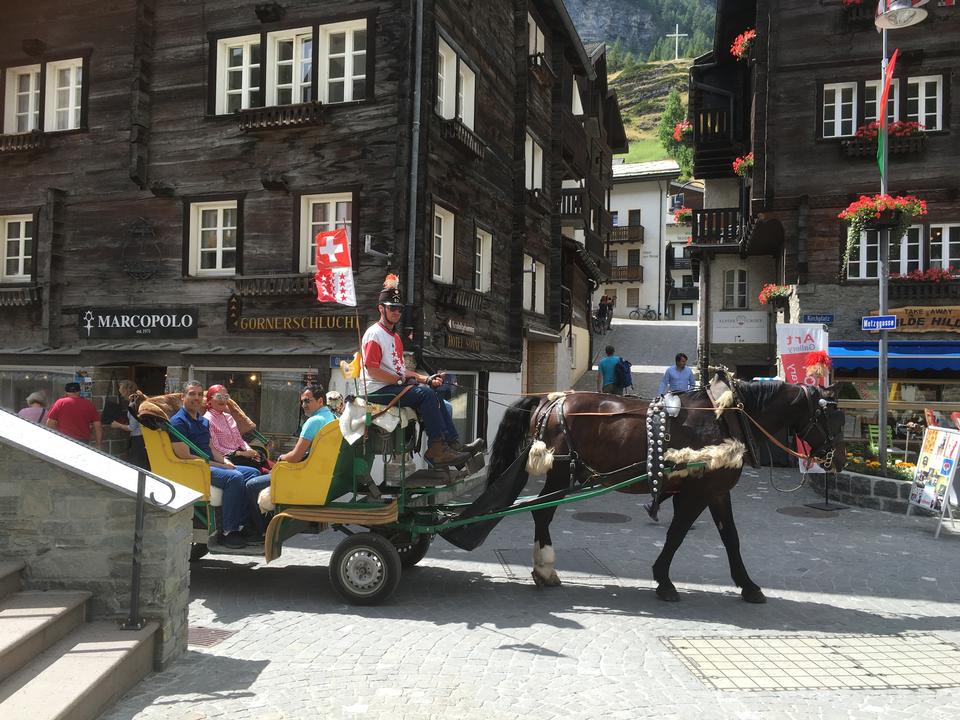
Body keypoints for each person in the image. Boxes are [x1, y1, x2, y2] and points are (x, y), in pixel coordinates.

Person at [362, 274, 481, 467]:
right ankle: (436, 450)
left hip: (391, 386)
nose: (397, 312)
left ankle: (453, 444)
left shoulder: (396, 338)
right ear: (381, 309)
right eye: (392, 308)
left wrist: (426, 379)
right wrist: (400, 382)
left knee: (435, 390)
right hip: (376, 390)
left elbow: (402, 371)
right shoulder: (374, 334)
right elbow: (372, 370)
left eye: (399, 309)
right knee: (426, 395)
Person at [169, 381, 261, 549]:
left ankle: (244, 523)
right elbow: (185, 456)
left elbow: (211, 448)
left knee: (253, 473)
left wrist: (226, 461)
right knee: (234, 477)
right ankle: (229, 531)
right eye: (191, 394)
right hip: (194, 467)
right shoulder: (178, 422)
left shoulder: (203, 422)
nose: (196, 398)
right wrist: (222, 467)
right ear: (183, 397)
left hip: (209, 464)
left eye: (199, 394)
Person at [243, 385, 338, 534]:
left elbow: (295, 457)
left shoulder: (314, 421)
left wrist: (281, 457)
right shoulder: (332, 417)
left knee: (251, 485)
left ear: (320, 401)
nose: (304, 405)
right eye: (302, 402)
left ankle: (260, 531)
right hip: (321, 472)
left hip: (306, 475)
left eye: (307, 401)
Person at [203, 384, 262, 470]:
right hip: (227, 458)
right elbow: (216, 447)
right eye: (219, 396)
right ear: (209, 400)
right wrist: (240, 453)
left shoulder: (228, 417)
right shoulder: (207, 419)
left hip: (240, 455)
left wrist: (249, 450)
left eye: (226, 397)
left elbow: (239, 439)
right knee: (261, 470)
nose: (223, 400)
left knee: (266, 462)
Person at [46, 382, 103, 449]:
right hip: (83, 442)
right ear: (79, 391)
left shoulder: (60, 403)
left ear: (66, 392)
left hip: (64, 440)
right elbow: (98, 427)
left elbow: (50, 424)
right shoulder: (89, 404)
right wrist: (98, 444)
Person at [110, 380, 149, 469]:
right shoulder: (140, 400)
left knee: (138, 466)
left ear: (126, 390)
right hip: (144, 438)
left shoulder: (133, 404)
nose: (119, 391)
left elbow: (132, 427)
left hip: (138, 439)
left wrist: (118, 425)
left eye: (120, 389)